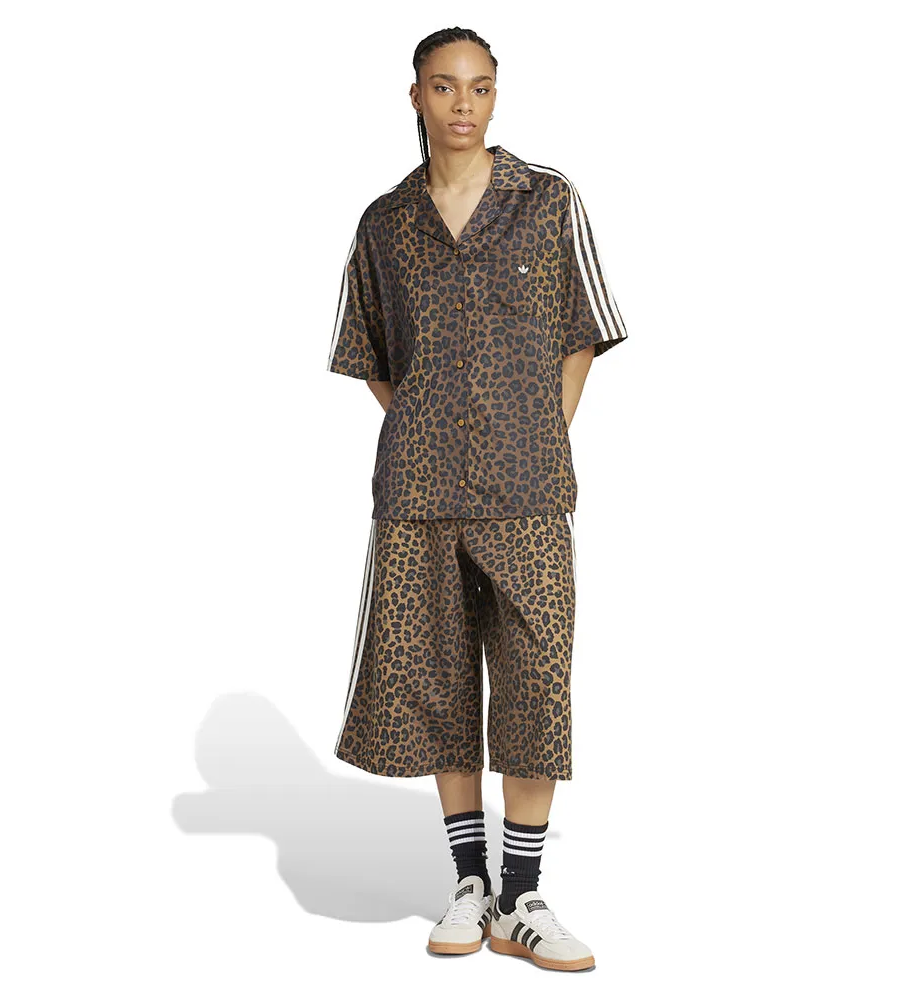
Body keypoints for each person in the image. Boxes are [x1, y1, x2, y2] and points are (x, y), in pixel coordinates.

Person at [324, 26, 628, 973]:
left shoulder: (547, 201)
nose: (464, 104)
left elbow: (583, 332)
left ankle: (521, 896)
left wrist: (537, 429)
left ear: (497, 96)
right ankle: (469, 882)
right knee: (438, 680)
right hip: (418, 491)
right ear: (415, 96)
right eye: (445, 86)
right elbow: (376, 356)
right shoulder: (384, 223)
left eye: (481, 87)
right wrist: (433, 426)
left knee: (537, 681)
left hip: (528, 488)